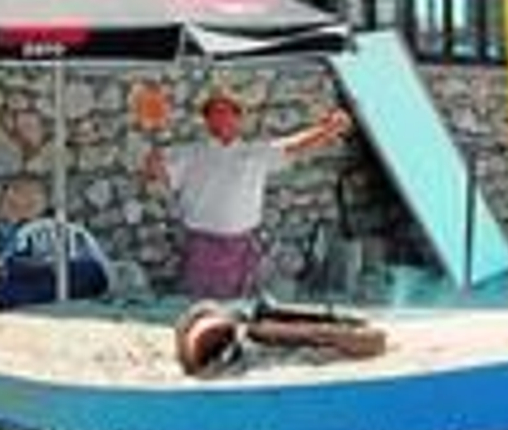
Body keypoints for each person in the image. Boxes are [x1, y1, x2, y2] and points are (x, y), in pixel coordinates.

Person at [144, 92, 353, 299]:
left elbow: (293, 146)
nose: (221, 117)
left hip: (241, 247)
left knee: (238, 310)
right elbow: (159, 173)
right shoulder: (189, 154)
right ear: (206, 120)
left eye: (227, 112)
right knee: (199, 307)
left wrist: (327, 130)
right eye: (215, 112)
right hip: (201, 246)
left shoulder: (256, 153)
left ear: (238, 118)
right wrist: (153, 160)